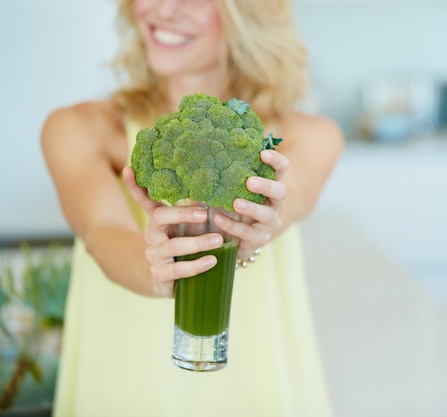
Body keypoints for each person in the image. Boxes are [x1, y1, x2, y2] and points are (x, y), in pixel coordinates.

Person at [41, 0, 344, 415]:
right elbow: (101, 230)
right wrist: (153, 265)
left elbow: (293, 197)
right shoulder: (80, 129)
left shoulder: (310, 136)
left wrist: (257, 226)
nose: (165, 8)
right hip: (123, 383)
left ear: (248, 12)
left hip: (257, 386)